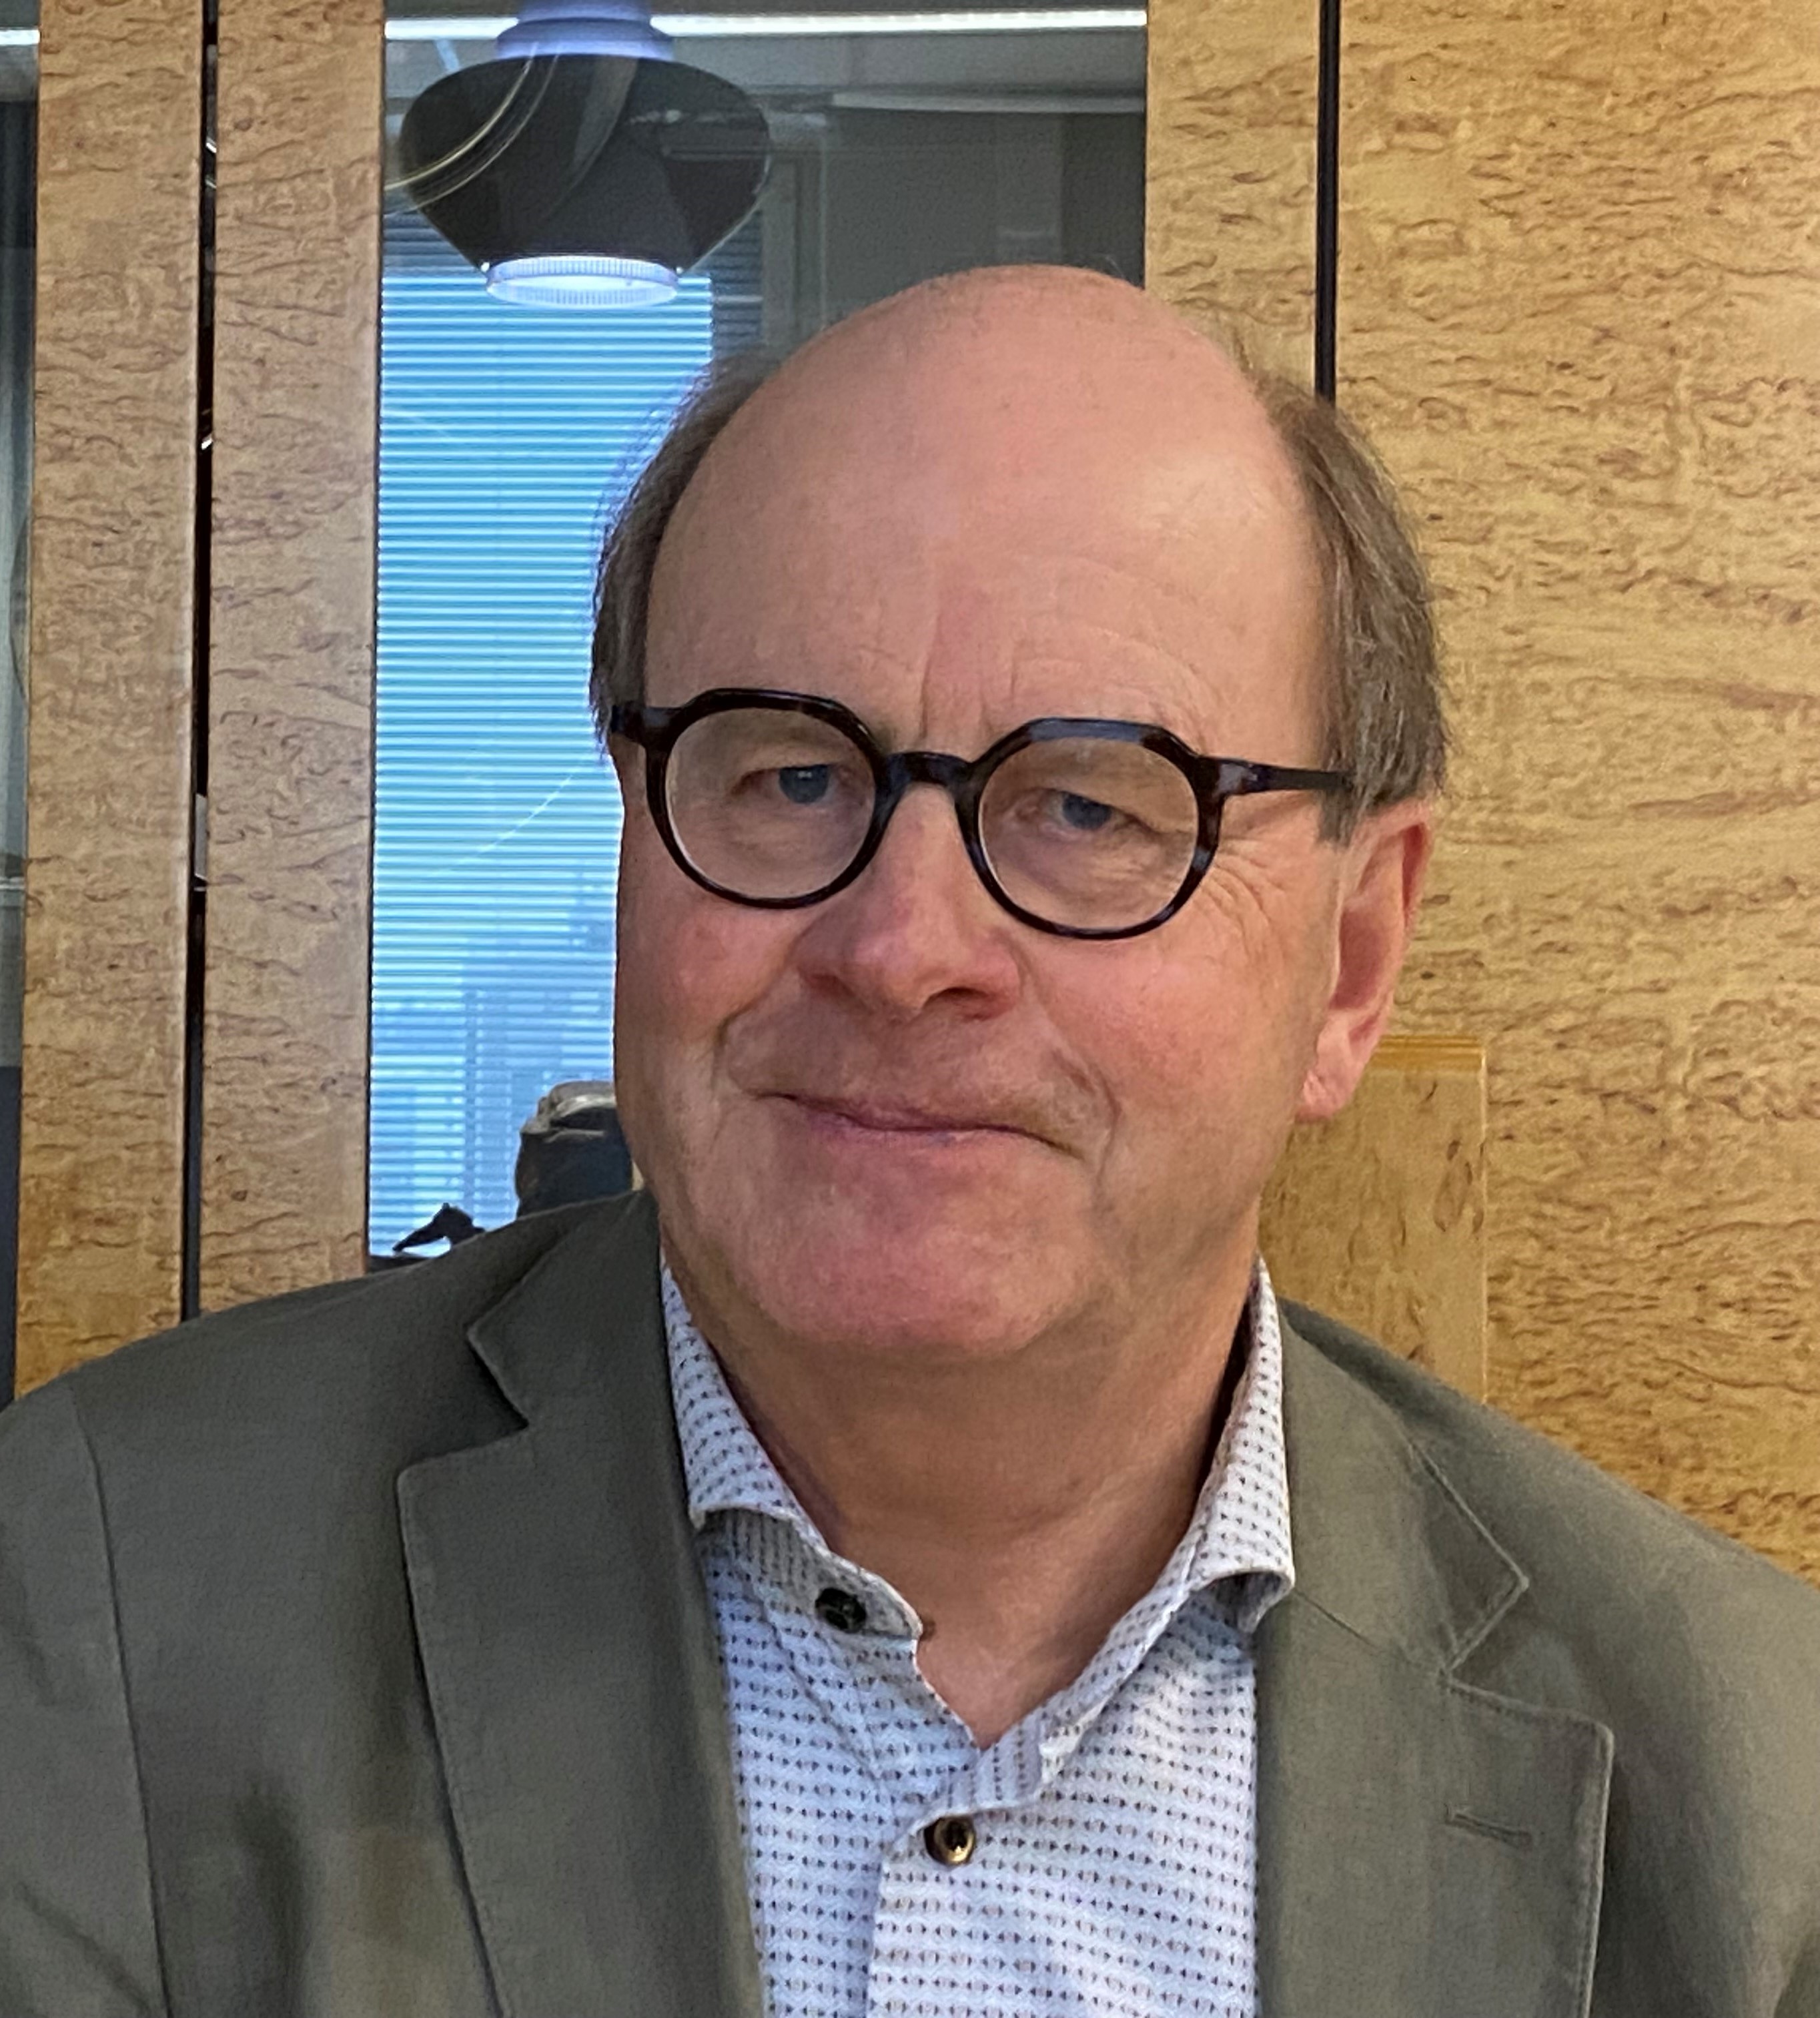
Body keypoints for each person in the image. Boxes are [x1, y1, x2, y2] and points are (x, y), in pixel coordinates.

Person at [1, 267, 1815, 2018]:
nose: (902, 948)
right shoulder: (96, 1600)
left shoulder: (1754, 1792)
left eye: (1091, 806)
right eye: (790, 776)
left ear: (1350, 962)